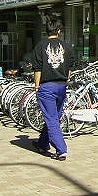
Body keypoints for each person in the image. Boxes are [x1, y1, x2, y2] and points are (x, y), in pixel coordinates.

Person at [31, 16, 76, 161]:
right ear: (59, 31)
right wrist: (65, 79)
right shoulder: (67, 46)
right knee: (53, 116)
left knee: (51, 118)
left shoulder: (40, 46)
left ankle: (61, 149)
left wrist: (37, 87)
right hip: (61, 86)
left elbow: (37, 69)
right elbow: (70, 67)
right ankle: (42, 144)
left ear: (46, 31)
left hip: (46, 87)